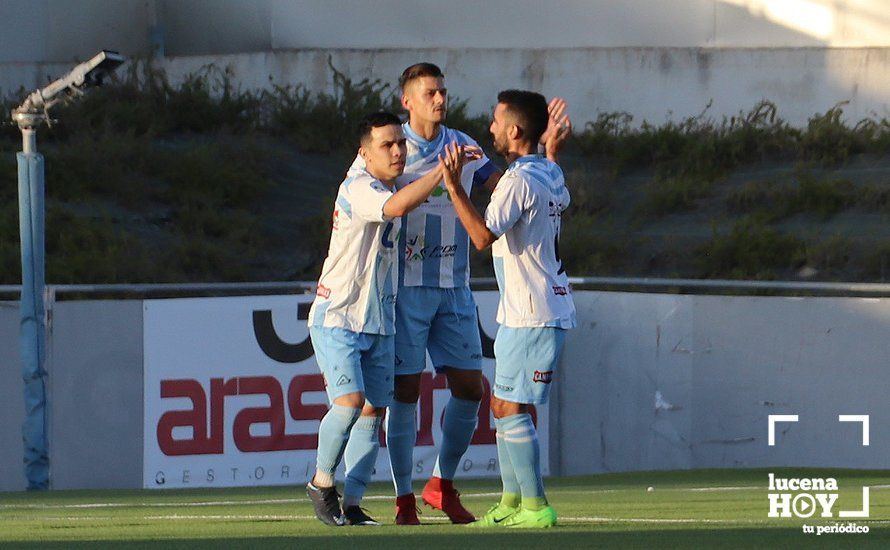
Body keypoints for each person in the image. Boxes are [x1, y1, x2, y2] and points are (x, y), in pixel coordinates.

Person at [349, 62, 570, 525]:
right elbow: (365, 202)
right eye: (430, 92)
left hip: (454, 287)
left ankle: (441, 485)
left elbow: (507, 186)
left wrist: (541, 152)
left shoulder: (465, 146)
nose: (440, 99)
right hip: (405, 288)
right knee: (405, 393)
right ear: (407, 100)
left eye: (443, 91)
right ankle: (403, 499)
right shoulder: (389, 150)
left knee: (471, 390)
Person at [306, 111, 481, 526]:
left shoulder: (391, 178)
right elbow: (398, 205)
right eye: (387, 145)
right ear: (364, 152)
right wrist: (443, 170)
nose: (398, 151)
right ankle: (321, 482)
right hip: (339, 317)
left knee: (373, 410)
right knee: (348, 404)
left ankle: (352, 503)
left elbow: (415, 192)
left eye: (400, 143)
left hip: (379, 319)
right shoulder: (360, 186)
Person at [439, 90, 575, 529]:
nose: (492, 128)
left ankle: (535, 507)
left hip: (533, 313)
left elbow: (482, 237)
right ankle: (511, 502)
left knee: (511, 409)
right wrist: (551, 148)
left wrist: (454, 186)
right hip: (530, 310)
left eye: (497, 122)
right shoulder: (548, 172)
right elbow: (557, 185)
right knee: (501, 405)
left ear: (514, 131)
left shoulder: (516, 180)